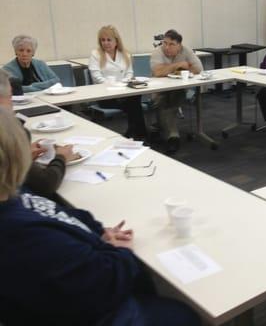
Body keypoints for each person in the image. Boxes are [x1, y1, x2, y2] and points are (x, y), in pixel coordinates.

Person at [0, 108, 200, 326]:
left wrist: (98, 232)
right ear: (17, 156)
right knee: (182, 313)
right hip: (103, 310)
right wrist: (119, 251)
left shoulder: (14, 198)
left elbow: (64, 215)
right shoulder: (22, 232)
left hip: (89, 268)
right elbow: (108, 281)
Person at [0, 69, 76, 200]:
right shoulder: (5, 135)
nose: (12, 103)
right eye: (10, 96)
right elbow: (46, 183)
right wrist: (61, 157)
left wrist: (23, 154)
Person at [88, 25, 147, 140]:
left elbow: (129, 73)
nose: (106, 43)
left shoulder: (125, 54)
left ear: (116, 41)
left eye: (109, 40)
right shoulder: (95, 54)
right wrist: (114, 85)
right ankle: (141, 135)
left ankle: (135, 132)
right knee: (135, 105)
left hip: (124, 92)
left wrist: (122, 84)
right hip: (105, 95)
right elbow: (96, 77)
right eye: (103, 40)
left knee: (134, 98)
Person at [150, 29, 203, 153]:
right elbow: (157, 72)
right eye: (165, 43)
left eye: (171, 44)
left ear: (179, 45)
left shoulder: (186, 51)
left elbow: (199, 69)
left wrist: (181, 68)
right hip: (158, 89)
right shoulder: (157, 52)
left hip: (179, 89)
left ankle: (172, 135)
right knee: (164, 99)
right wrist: (178, 65)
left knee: (175, 94)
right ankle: (171, 134)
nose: (167, 47)